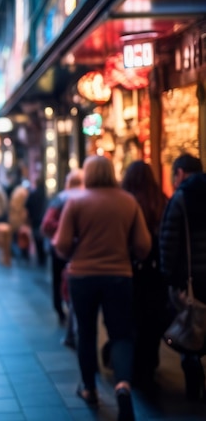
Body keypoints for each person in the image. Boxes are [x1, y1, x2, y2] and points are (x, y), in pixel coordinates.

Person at [53, 155, 151, 421]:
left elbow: (61, 246)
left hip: (82, 277)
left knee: (86, 333)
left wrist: (77, 251)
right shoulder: (128, 201)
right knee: (121, 334)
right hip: (119, 276)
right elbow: (143, 246)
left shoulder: (76, 201)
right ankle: (123, 387)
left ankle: (90, 389)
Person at [160, 153, 206, 401]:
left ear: (179, 173)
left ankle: (192, 372)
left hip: (190, 279)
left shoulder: (180, 198)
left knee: (190, 325)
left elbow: (168, 241)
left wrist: (169, 277)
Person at [121, 160, 168, 390]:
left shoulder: (126, 202)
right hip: (156, 271)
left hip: (130, 269)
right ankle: (150, 363)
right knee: (152, 320)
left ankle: (135, 367)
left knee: (132, 320)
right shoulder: (161, 200)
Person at [41, 169, 83, 337]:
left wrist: (61, 231)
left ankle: (60, 308)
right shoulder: (84, 197)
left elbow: (46, 225)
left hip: (59, 247)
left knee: (58, 279)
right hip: (79, 249)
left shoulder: (60, 199)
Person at [25, 177, 48, 266]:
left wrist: (30, 215)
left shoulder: (33, 194)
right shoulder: (46, 195)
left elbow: (27, 205)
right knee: (43, 238)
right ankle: (43, 257)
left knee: (37, 239)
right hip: (44, 218)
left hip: (35, 220)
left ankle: (40, 258)